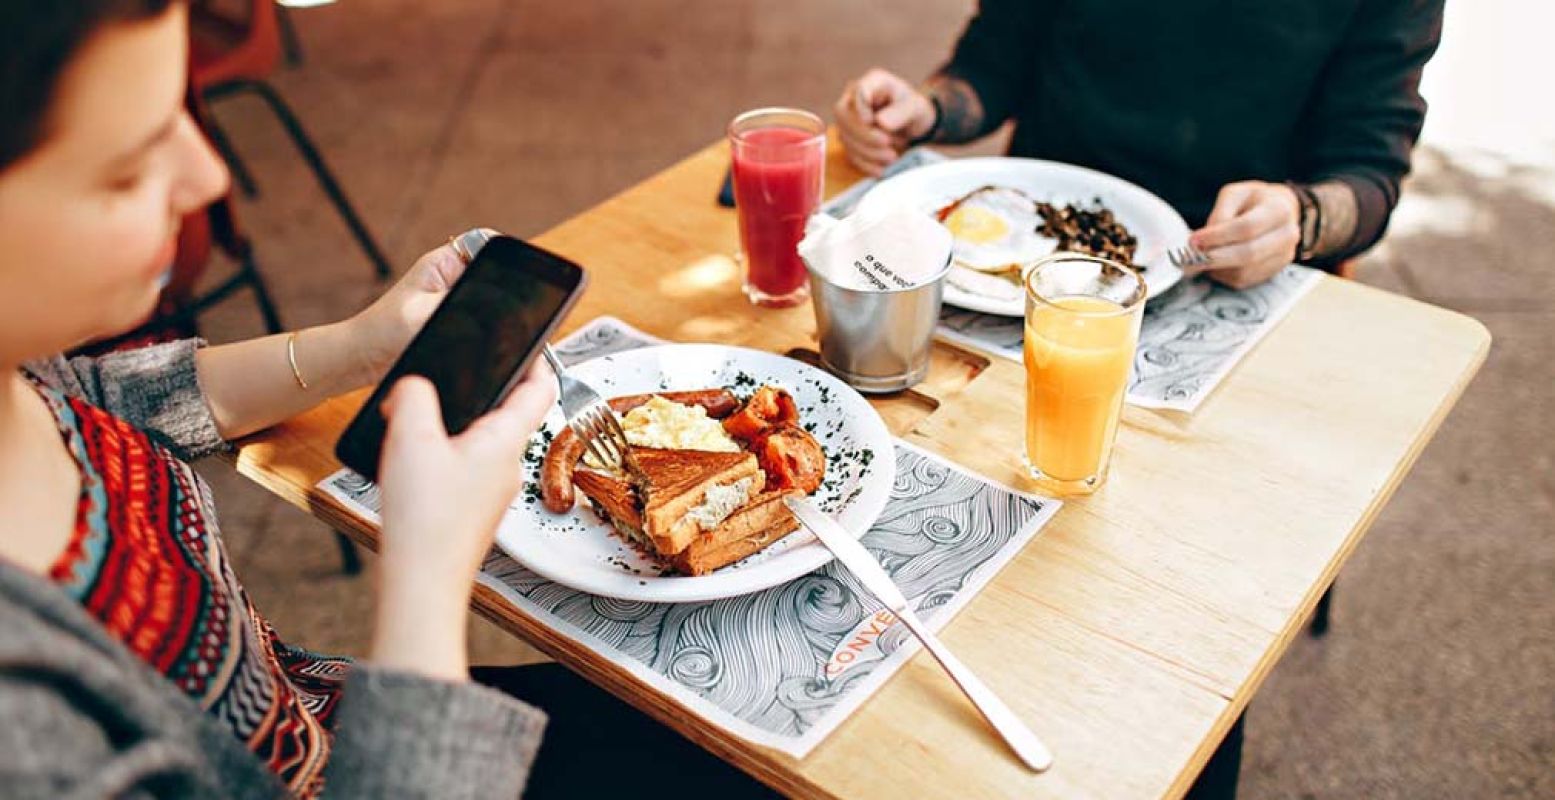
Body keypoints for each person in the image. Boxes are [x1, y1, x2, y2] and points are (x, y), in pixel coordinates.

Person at [0, 2, 773, 797]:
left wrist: (362, 345)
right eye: (125, 168)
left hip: (324, 709)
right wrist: (425, 574)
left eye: (180, 114)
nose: (209, 176)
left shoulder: (19, 367)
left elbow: (102, 400)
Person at [834, 0, 1445, 289]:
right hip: (1020, 264)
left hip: (1222, 269)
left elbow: (1368, 173)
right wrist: (929, 108)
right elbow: (995, 62)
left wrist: (1301, 217)